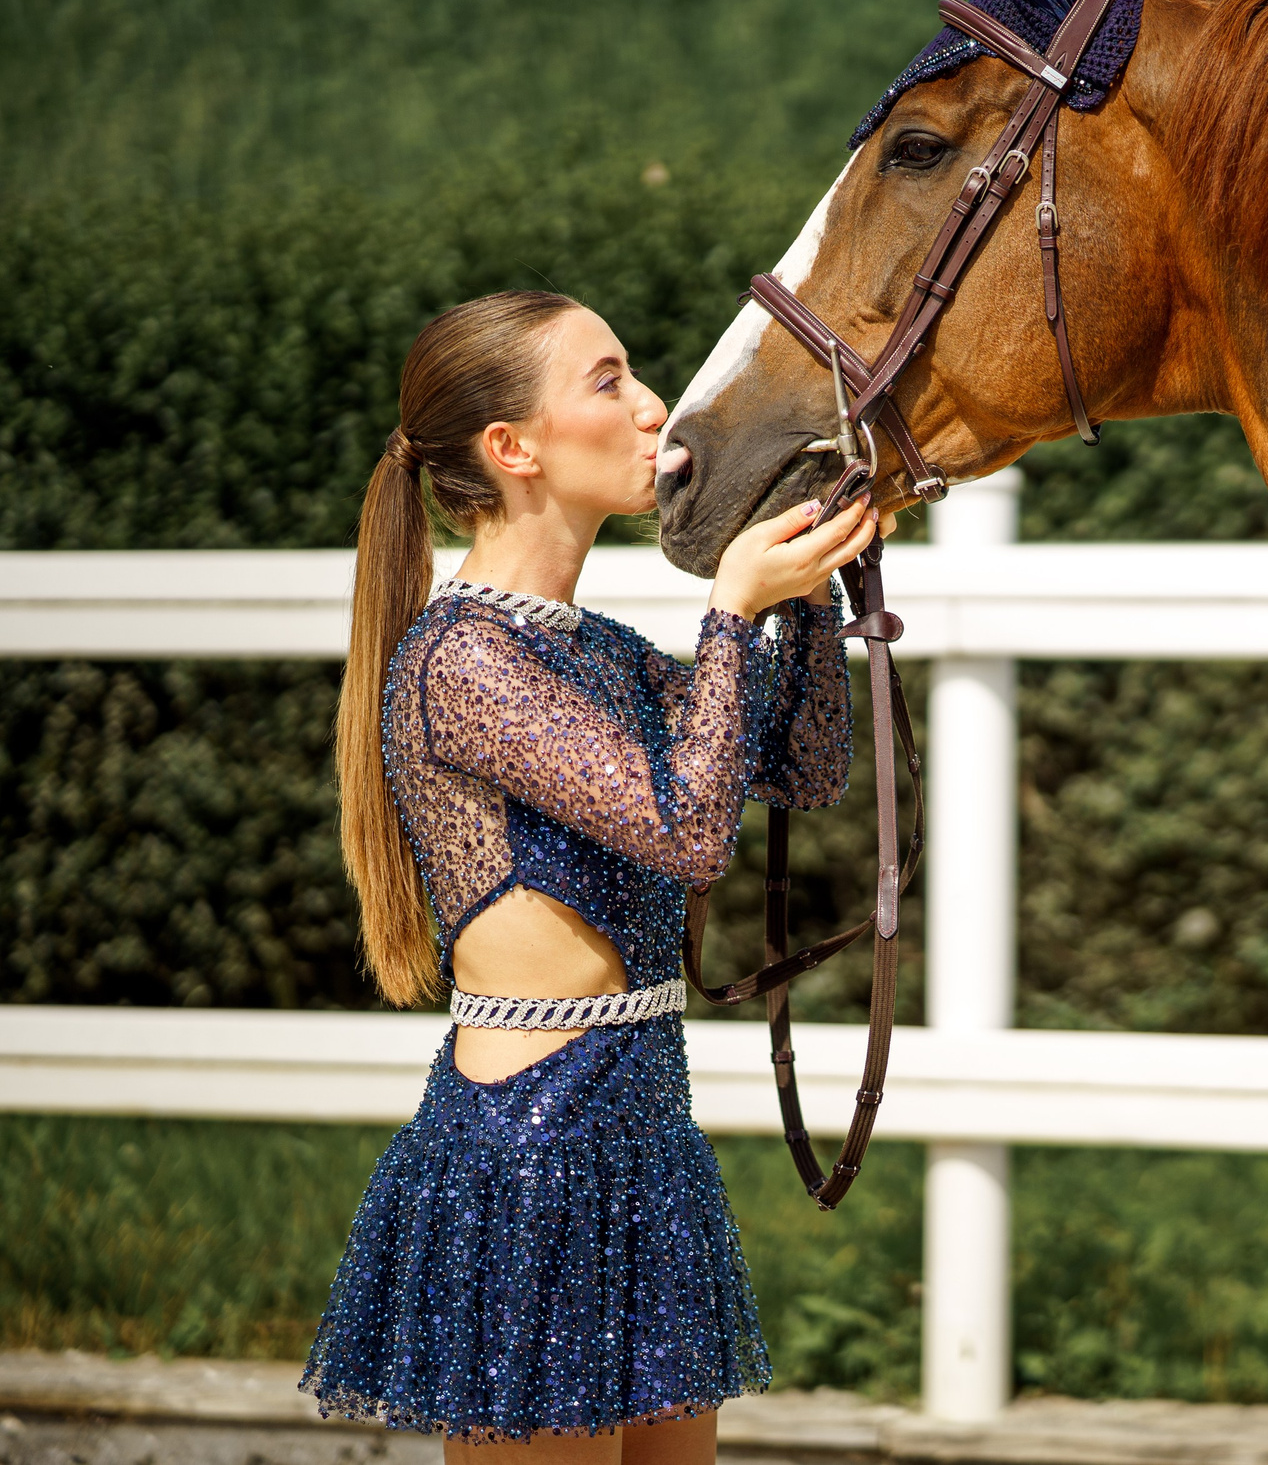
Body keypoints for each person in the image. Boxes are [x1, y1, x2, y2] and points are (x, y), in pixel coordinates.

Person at [302, 290, 878, 1464]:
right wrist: (729, 614)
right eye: (607, 380)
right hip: (528, 1152)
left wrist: (809, 596)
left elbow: (801, 766)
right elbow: (686, 831)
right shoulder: (458, 660)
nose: (653, 404)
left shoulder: (596, 650)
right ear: (512, 450)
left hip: (644, 1135)